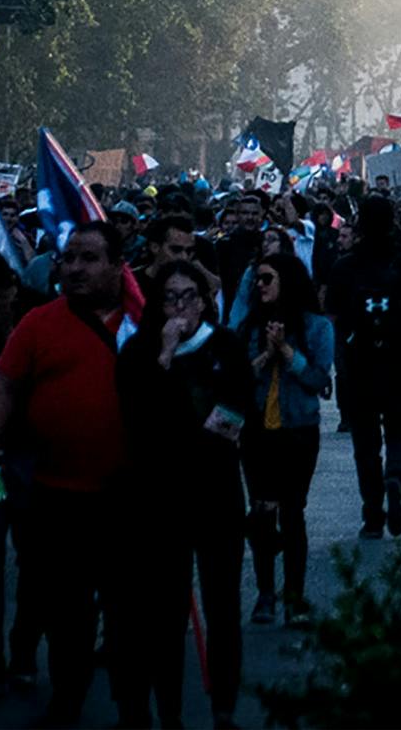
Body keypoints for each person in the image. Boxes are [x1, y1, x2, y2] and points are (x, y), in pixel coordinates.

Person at [0, 221, 143, 726]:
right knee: (67, 612)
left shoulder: (145, 322)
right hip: (55, 494)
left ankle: (133, 707)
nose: (74, 268)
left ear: (119, 266)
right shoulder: (38, 324)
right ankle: (66, 697)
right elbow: (4, 384)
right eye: (68, 258)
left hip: (129, 498)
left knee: (128, 614)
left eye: (88, 258)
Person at [119, 260, 254, 728]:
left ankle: (223, 706)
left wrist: (193, 438)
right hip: (161, 498)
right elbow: (137, 418)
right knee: (164, 610)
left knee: (222, 605)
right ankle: (169, 709)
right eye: (170, 298)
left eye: (189, 297)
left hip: (216, 493)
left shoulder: (225, 346)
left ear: (204, 300)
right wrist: (164, 355)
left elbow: (236, 414)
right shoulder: (139, 351)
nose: (180, 307)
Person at [323, 195, 401, 536]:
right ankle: (397, 474)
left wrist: (334, 364)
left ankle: (372, 513)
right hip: (400, 359)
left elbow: (331, 319)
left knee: (366, 442)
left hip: (358, 363)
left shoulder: (344, 267)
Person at [240, 252, 334, 626]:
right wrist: (265, 353)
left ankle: (294, 597)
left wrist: (288, 354)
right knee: (262, 513)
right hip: (258, 432)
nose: (260, 286)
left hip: (297, 430)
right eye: (257, 280)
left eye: (267, 279)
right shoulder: (249, 328)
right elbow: (238, 379)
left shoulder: (315, 327)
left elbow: (317, 379)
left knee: (293, 513)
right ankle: (265, 593)